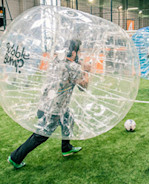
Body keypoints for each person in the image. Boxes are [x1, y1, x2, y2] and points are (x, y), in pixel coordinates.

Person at [7, 39, 91, 169]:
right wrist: (86, 71)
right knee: (41, 135)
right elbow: (83, 87)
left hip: (48, 101)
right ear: (74, 52)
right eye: (78, 50)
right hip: (54, 109)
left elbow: (66, 68)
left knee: (68, 118)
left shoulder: (56, 61)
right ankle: (15, 157)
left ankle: (66, 147)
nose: (79, 53)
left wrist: (78, 65)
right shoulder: (73, 68)